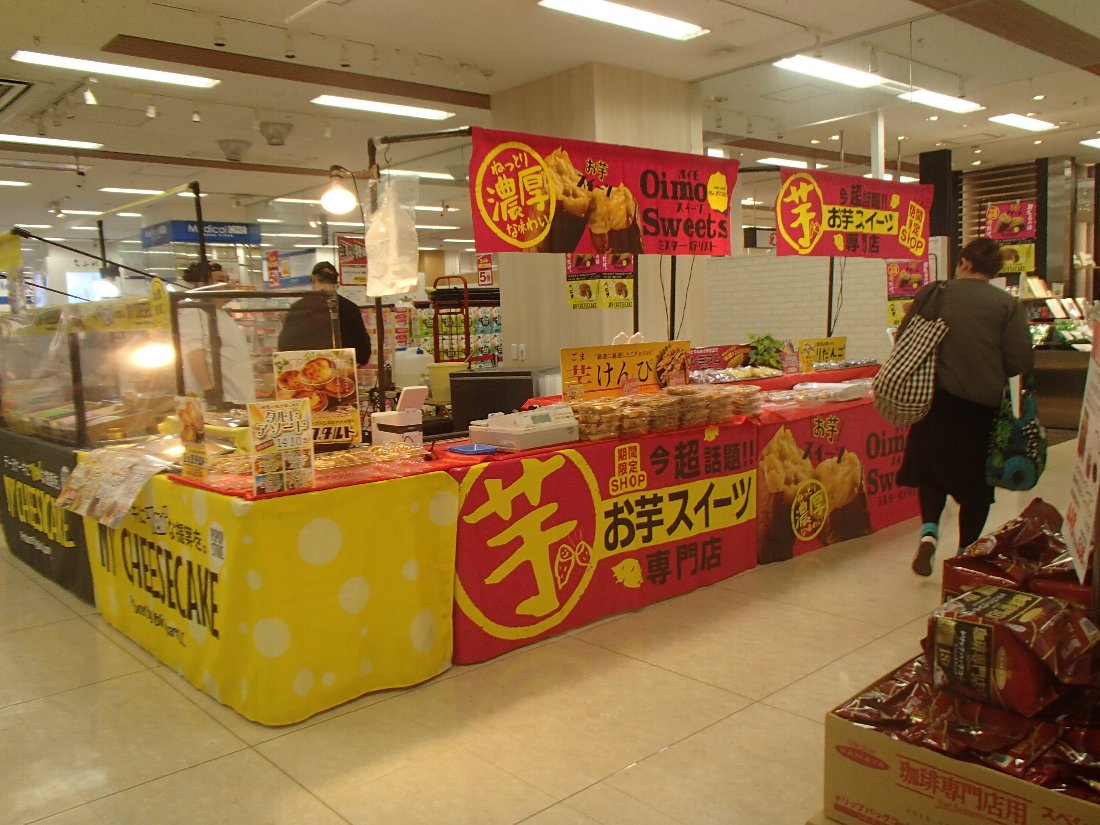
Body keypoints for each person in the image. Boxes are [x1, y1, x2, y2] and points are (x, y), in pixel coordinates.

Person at [898, 238, 1034, 576]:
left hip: (934, 401)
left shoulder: (935, 293)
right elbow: (1019, 360)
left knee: (932, 473)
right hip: (980, 409)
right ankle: (965, 552)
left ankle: (929, 534)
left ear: (964, 262)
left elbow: (904, 340)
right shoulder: (1007, 305)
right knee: (976, 484)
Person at [177, 261, 256, 407]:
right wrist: (209, 390)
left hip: (237, 397)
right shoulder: (194, 311)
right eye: (220, 280)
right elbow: (194, 353)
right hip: (221, 401)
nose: (227, 285)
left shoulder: (219, 313)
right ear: (202, 284)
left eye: (227, 280)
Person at [277, 261, 372, 365]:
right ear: (336, 283)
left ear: (313, 279)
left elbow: (284, 346)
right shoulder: (351, 308)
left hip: (307, 369)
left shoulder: (299, 307)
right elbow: (364, 352)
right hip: (342, 371)